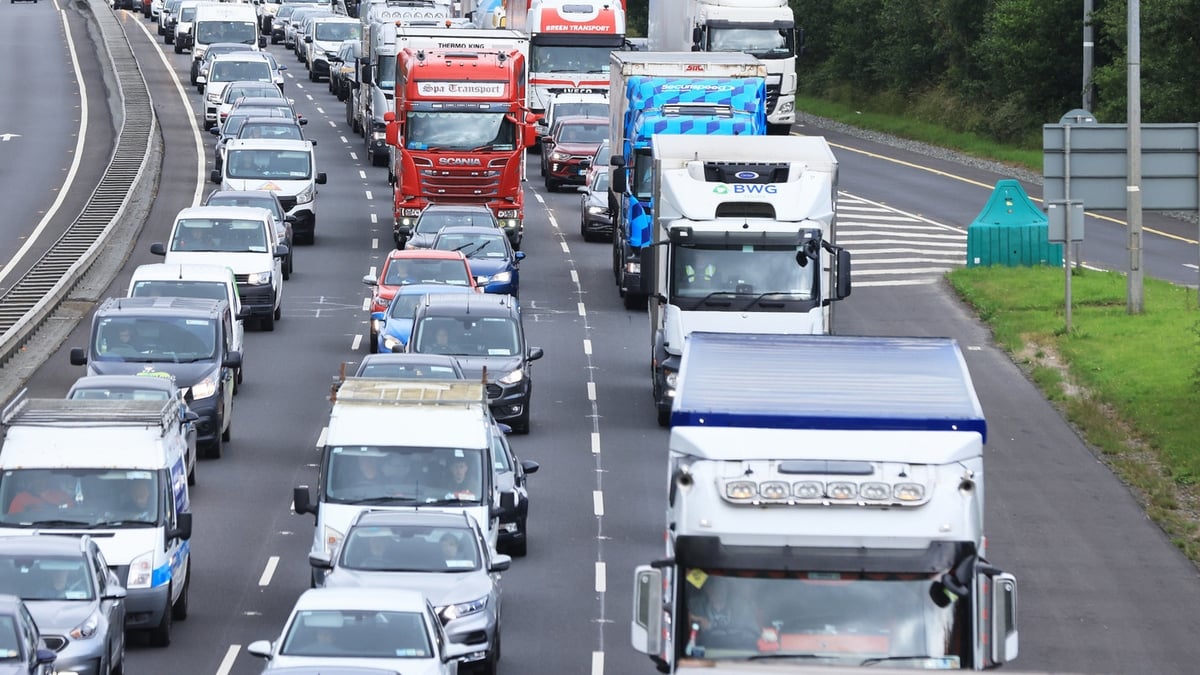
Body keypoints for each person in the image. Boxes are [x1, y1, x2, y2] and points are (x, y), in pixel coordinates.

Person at [6, 474, 74, 514]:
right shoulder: (21, 498)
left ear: (47, 478)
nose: (39, 480)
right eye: (36, 478)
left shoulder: (62, 496)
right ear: (31, 480)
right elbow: (14, 519)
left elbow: (71, 515)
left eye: (42, 477)